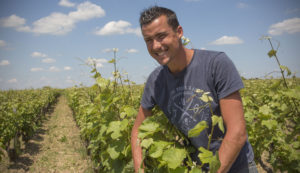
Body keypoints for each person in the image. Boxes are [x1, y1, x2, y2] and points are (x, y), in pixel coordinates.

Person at [131, 6, 258, 173]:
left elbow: (237, 132)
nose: (155, 45)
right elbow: (137, 132)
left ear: (179, 32)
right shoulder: (155, 82)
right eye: (148, 40)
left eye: (161, 36)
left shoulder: (216, 64)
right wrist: (140, 170)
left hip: (237, 167)